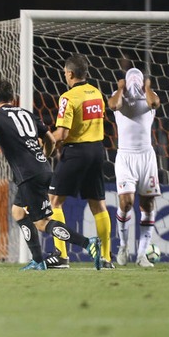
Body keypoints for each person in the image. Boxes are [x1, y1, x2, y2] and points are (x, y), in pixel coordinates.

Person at [0, 80, 101, 270]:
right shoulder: (27, 113)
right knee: (17, 212)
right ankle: (38, 260)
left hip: (28, 175)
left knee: (42, 223)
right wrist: (46, 155)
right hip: (43, 168)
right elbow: (49, 139)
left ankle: (87, 243)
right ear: (12, 98)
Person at [45, 54, 112, 269]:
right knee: (98, 204)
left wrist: (46, 140)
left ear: (71, 74)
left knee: (54, 201)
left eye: (65, 73)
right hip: (97, 150)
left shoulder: (68, 97)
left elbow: (63, 134)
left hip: (76, 152)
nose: (65, 76)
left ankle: (61, 256)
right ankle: (106, 257)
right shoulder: (97, 93)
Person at [107, 67, 161, 268]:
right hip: (125, 156)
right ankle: (123, 246)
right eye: (132, 80)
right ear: (126, 81)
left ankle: (141, 255)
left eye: (138, 80)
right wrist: (120, 88)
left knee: (147, 205)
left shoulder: (150, 97)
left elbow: (154, 103)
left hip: (146, 156)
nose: (135, 83)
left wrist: (147, 87)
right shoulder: (118, 96)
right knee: (126, 202)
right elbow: (113, 105)